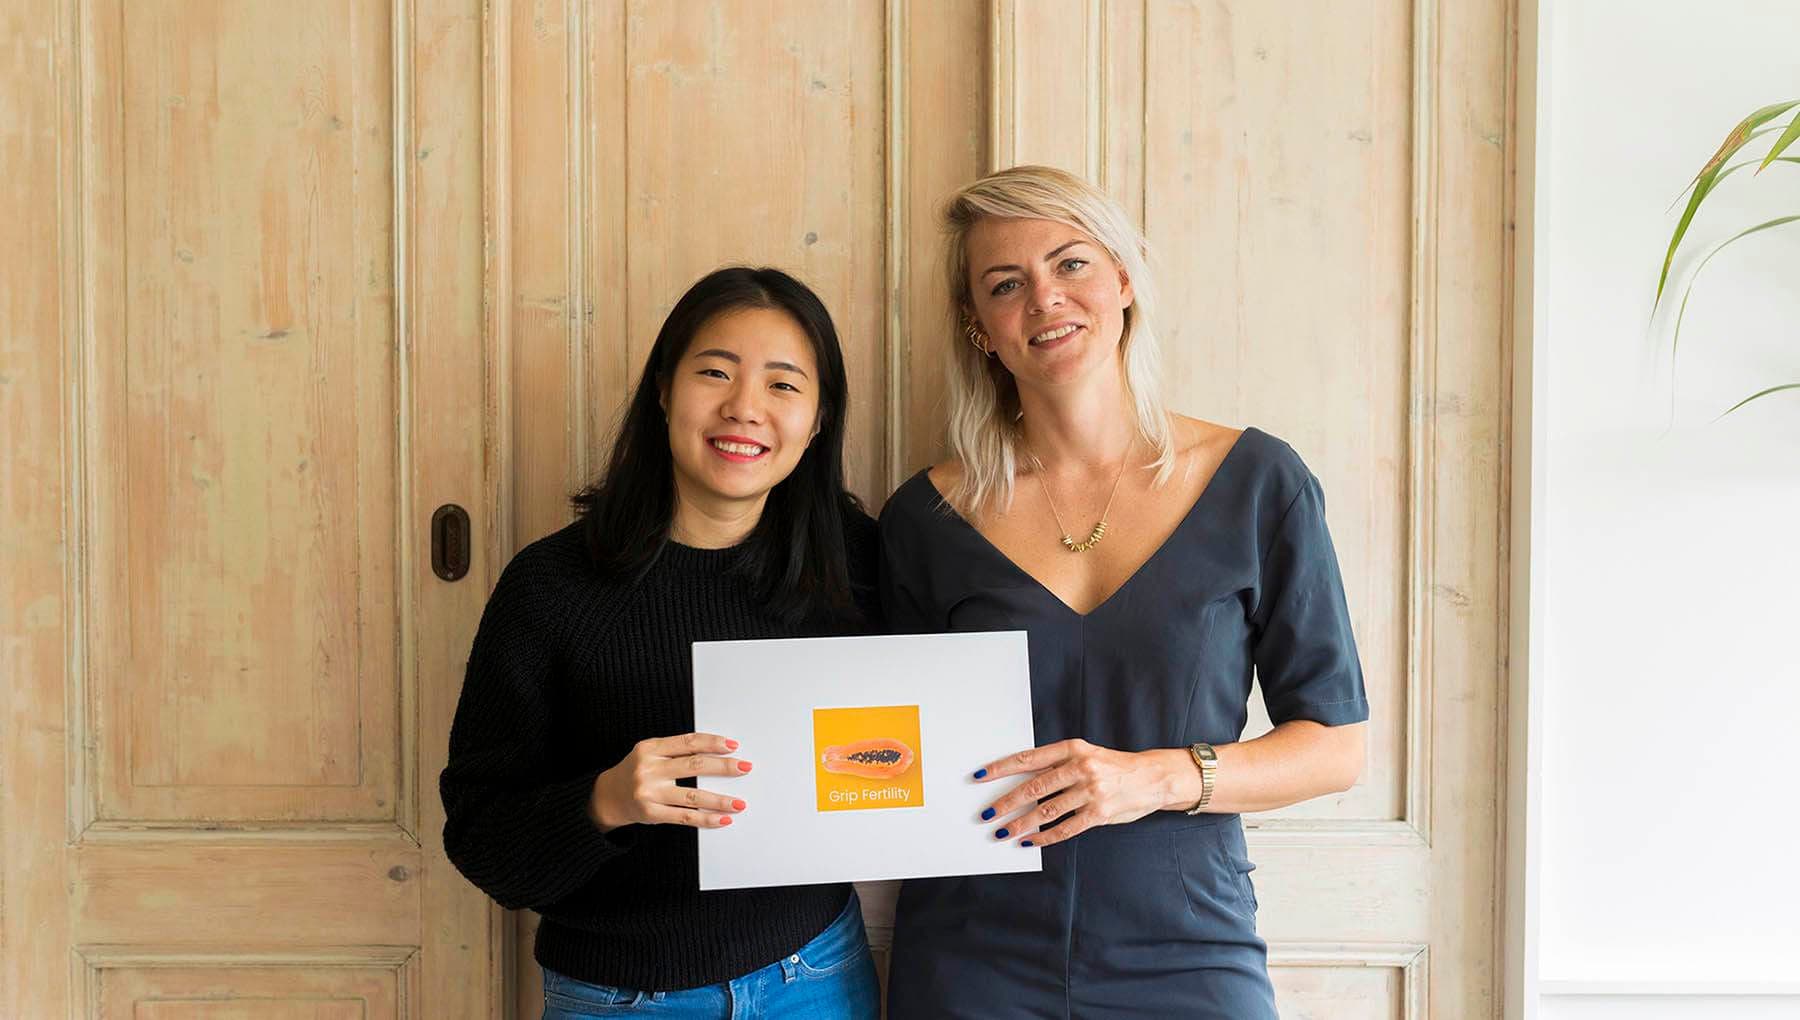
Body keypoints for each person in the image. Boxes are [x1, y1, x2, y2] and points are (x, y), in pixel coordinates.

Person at [879, 166, 1370, 1018]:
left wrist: (1155, 779)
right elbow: (881, 748)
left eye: (1070, 263)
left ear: (1123, 279)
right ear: (978, 326)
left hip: (1190, 950)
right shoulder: (925, 516)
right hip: (969, 959)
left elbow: (1335, 748)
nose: (1045, 299)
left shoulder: (1258, 481)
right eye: (1005, 284)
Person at [440, 267, 882, 1019]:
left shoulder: (857, 561)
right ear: (662, 391)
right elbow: (483, 842)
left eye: (782, 384)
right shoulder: (549, 586)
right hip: (618, 997)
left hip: (817, 973)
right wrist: (605, 801)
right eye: (715, 373)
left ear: (818, 420)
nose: (744, 408)